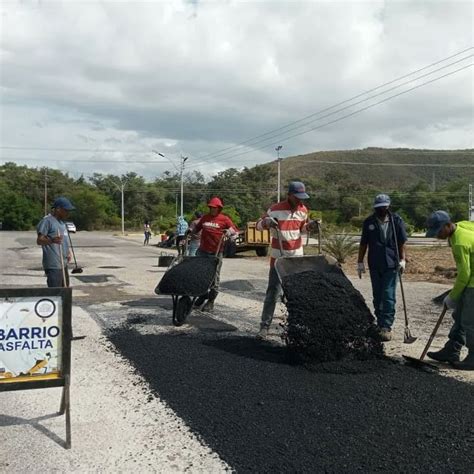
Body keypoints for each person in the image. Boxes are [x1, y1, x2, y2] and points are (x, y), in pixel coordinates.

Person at [255, 181, 320, 339]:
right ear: (289, 195)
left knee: (296, 294)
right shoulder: (275, 209)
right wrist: (267, 222)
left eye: (302, 197)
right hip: (279, 259)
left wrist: (310, 226)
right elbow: (258, 225)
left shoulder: (303, 210)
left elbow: (302, 228)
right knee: (273, 292)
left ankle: (296, 326)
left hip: (296, 259)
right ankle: (264, 326)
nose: (300, 200)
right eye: (297, 197)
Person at [425, 211, 474, 370]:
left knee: (469, 321)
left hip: (472, 282)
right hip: (470, 280)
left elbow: (464, 274)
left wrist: (452, 296)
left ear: (448, 225)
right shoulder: (462, 225)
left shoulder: (460, 242)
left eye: (439, 231)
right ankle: (451, 350)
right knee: (459, 315)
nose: (437, 236)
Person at [357, 194, 407, 341]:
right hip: (375, 263)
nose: (382, 209)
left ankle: (386, 326)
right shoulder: (369, 222)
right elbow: (363, 243)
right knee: (377, 295)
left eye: (384, 207)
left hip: (392, 263)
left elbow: (402, 241)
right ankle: (379, 323)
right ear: (375, 207)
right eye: (379, 207)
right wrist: (360, 262)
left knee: (388, 295)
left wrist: (403, 259)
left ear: (388, 206)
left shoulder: (396, 220)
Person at [190, 197, 238, 312]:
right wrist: (190, 231)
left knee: (214, 277)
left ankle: (211, 301)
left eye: (214, 208)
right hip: (202, 251)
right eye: (210, 207)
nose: (212, 209)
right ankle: (202, 296)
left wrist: (228, 232)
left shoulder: (224, 219)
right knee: (201, 275)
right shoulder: (205, 218)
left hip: (215, 253)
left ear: (219, 208)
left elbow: (235, 231)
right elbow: (197, 228)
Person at [36, 197, 75, 288]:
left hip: (63, 263)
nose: (68, 213)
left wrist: (68, 252)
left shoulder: (62, 223)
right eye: (66, 210)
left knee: (64, 290)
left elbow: (63, 240)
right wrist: (52, 240)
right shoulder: (47, 221)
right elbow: (39, 240)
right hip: (53, 264)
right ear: (58, 209)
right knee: (55, 292)